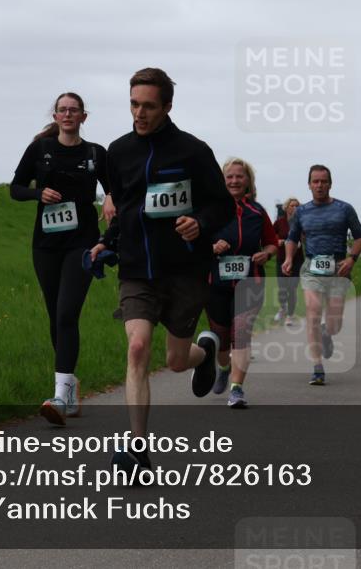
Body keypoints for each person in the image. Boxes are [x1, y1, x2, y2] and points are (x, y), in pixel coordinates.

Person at [90, 68, 233, 470]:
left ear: (167, 106)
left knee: (173, 360)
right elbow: (126, 208)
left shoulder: (193, 151)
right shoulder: (117, 152)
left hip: (184, 268)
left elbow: (221, 205)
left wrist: (200, 223)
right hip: (137, 268)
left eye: (148, 106)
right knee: (137, 348)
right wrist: (107, 241)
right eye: (134, 104)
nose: (139, 113)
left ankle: (203, 354)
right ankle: (137, 448)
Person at [10, 92, 110, 425]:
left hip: (81, 244)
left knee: (67, 313)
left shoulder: (96, 153)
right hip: (46, 245)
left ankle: (60, 394)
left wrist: (110, 198)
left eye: (74, 110)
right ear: (55, 116)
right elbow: (16, 188)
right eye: (62, 110)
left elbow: (117, 188)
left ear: (84, 116)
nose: (68, 114)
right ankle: (69, 385)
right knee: (56, 316)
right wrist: (39, 193)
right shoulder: (40, 150)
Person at [282, 165, 361, 385]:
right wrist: (289, 258)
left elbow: (359, 237)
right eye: (315, 181)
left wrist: (351, 259)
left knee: (334, 324)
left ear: (330, 183)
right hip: (312, 268)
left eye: (323, 181)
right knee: (313, 310)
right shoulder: (301, 211)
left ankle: (327, 334)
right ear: (309, 184)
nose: (319, 185)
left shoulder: (344, 209)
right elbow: (292, 238)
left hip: (338, 269)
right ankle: (317, 367)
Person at [207, 158, 279, 408]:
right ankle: (224, 368)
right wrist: (212, 247)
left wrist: (267, 253)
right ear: (222, 180)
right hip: (215, 282)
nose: (235, 181)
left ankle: (237, 389)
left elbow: (272, 241)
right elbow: (192, 242)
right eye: (230, 176)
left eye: (240, 176)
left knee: (242, 333)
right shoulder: (210, 210)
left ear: (248, 181)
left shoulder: (257, 212)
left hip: (251, 281)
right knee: (221, 338)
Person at [273, 197, 304, 325]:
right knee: (282, 288)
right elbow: (270, 237)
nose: (295, 208)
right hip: (281, 258)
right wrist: (278, 241)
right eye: (292, 205)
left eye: (297, 206)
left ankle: (290, 316)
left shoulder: (301, 222)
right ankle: (282, 308)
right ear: (286, 207)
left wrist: (301, 241)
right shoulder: (279, 222)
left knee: (292, 288)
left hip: (297, 260)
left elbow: (305, 237)